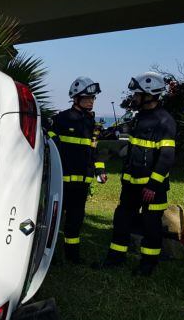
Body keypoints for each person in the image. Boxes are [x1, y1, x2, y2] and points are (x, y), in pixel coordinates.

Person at [97, 72, 176, 276]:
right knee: (122, 220)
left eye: (138, 94)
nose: (134, 97)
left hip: (152, 188)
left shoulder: (164, 121)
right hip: (131, 183)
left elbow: (166, 157)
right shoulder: (139, 117)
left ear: (149, 95)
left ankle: (148, 264)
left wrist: (153, 185)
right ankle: (116, 258)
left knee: (151, 226)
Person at [48, 76, 107, 264]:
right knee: (54, 220)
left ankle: (73, 256)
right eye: (87, 98)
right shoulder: (61, 119)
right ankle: (50, 256)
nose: (91, 101)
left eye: (93, 98)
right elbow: (49, 142)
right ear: (76, 98)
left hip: (82, 182)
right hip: (62, 181)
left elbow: (94, 150)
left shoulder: (91, 122)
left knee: (76, 220)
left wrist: (99, 171)